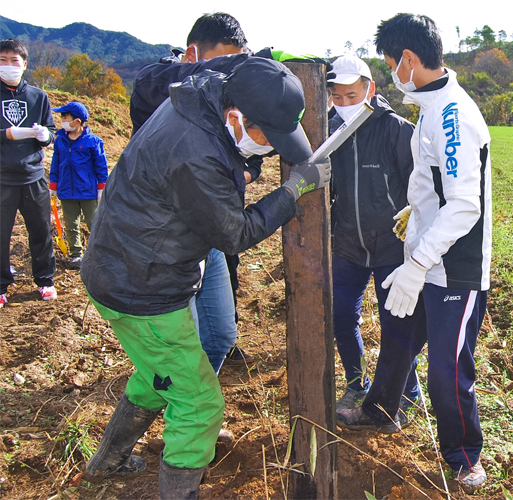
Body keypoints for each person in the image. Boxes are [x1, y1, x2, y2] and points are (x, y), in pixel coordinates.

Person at [80, 57, 330, 499]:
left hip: (127, 264)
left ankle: (108, 461)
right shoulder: (194, 151)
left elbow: (210, 174)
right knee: (198, 404)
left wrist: (243, 167)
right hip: (140, 285)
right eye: (265, 138)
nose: (271, 150)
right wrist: (292, 192)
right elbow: (234, 232)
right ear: (237, 116)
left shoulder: (202, 96)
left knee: (160, 371)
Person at [337, 14, 493, 492]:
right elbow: (433, 183)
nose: (390, 75)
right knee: (399, 339)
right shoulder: (429, 108)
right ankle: (380, 411)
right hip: (423, 255)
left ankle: (463, 456)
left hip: (455, 268)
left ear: (408, 59)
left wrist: (420, 263)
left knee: (446, 367)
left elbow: (465, 204)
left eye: (390, 64)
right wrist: (412, 214)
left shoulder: (452, 116)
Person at [131, 12, 257, 371]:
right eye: (222, 60)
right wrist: (240, 64)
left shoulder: (225, 96)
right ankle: (183, 394)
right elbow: (155, 82)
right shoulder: (157, 82)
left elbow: (245, 148)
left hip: (216, 216)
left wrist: (244, 173)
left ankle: (209, 368)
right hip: (166, 232)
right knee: (181, 328)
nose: (227, 74)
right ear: (192, 54)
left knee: (219, 317)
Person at [326, 55, 420, 419]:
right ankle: (356, 383)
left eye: (353, 95)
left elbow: (420, 183)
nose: (346, 105)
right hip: (347, 244)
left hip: (390, 245)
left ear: (370, 89)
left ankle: (406, 393)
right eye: (339, 97)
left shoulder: (396, 130)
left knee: (395, 321)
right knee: (340, 316)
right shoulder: (328, 129)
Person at [0, 38, 57, 308]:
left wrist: (46, 135)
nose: (8, 66)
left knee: (41, 230)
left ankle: (45, 280)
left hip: (33, 175)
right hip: (2, 177)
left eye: (14, 61)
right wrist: (7, 134)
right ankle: (1, 286)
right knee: (1, 234)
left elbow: (50, 130)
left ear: (24, 65)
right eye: (2, 60)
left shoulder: (38, 96)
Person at [48, 101, 108, 269]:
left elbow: (101, 166)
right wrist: (53, 185)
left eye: (65, 117)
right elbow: (55, 163)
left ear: (78, 121)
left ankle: (100, 252)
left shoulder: (93, 141)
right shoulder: (60, 140)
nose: (62, 120)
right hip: (66, 191)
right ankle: (76, 255)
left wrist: (101, 187)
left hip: (87, 191)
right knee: (71, 225)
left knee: (93, 222)